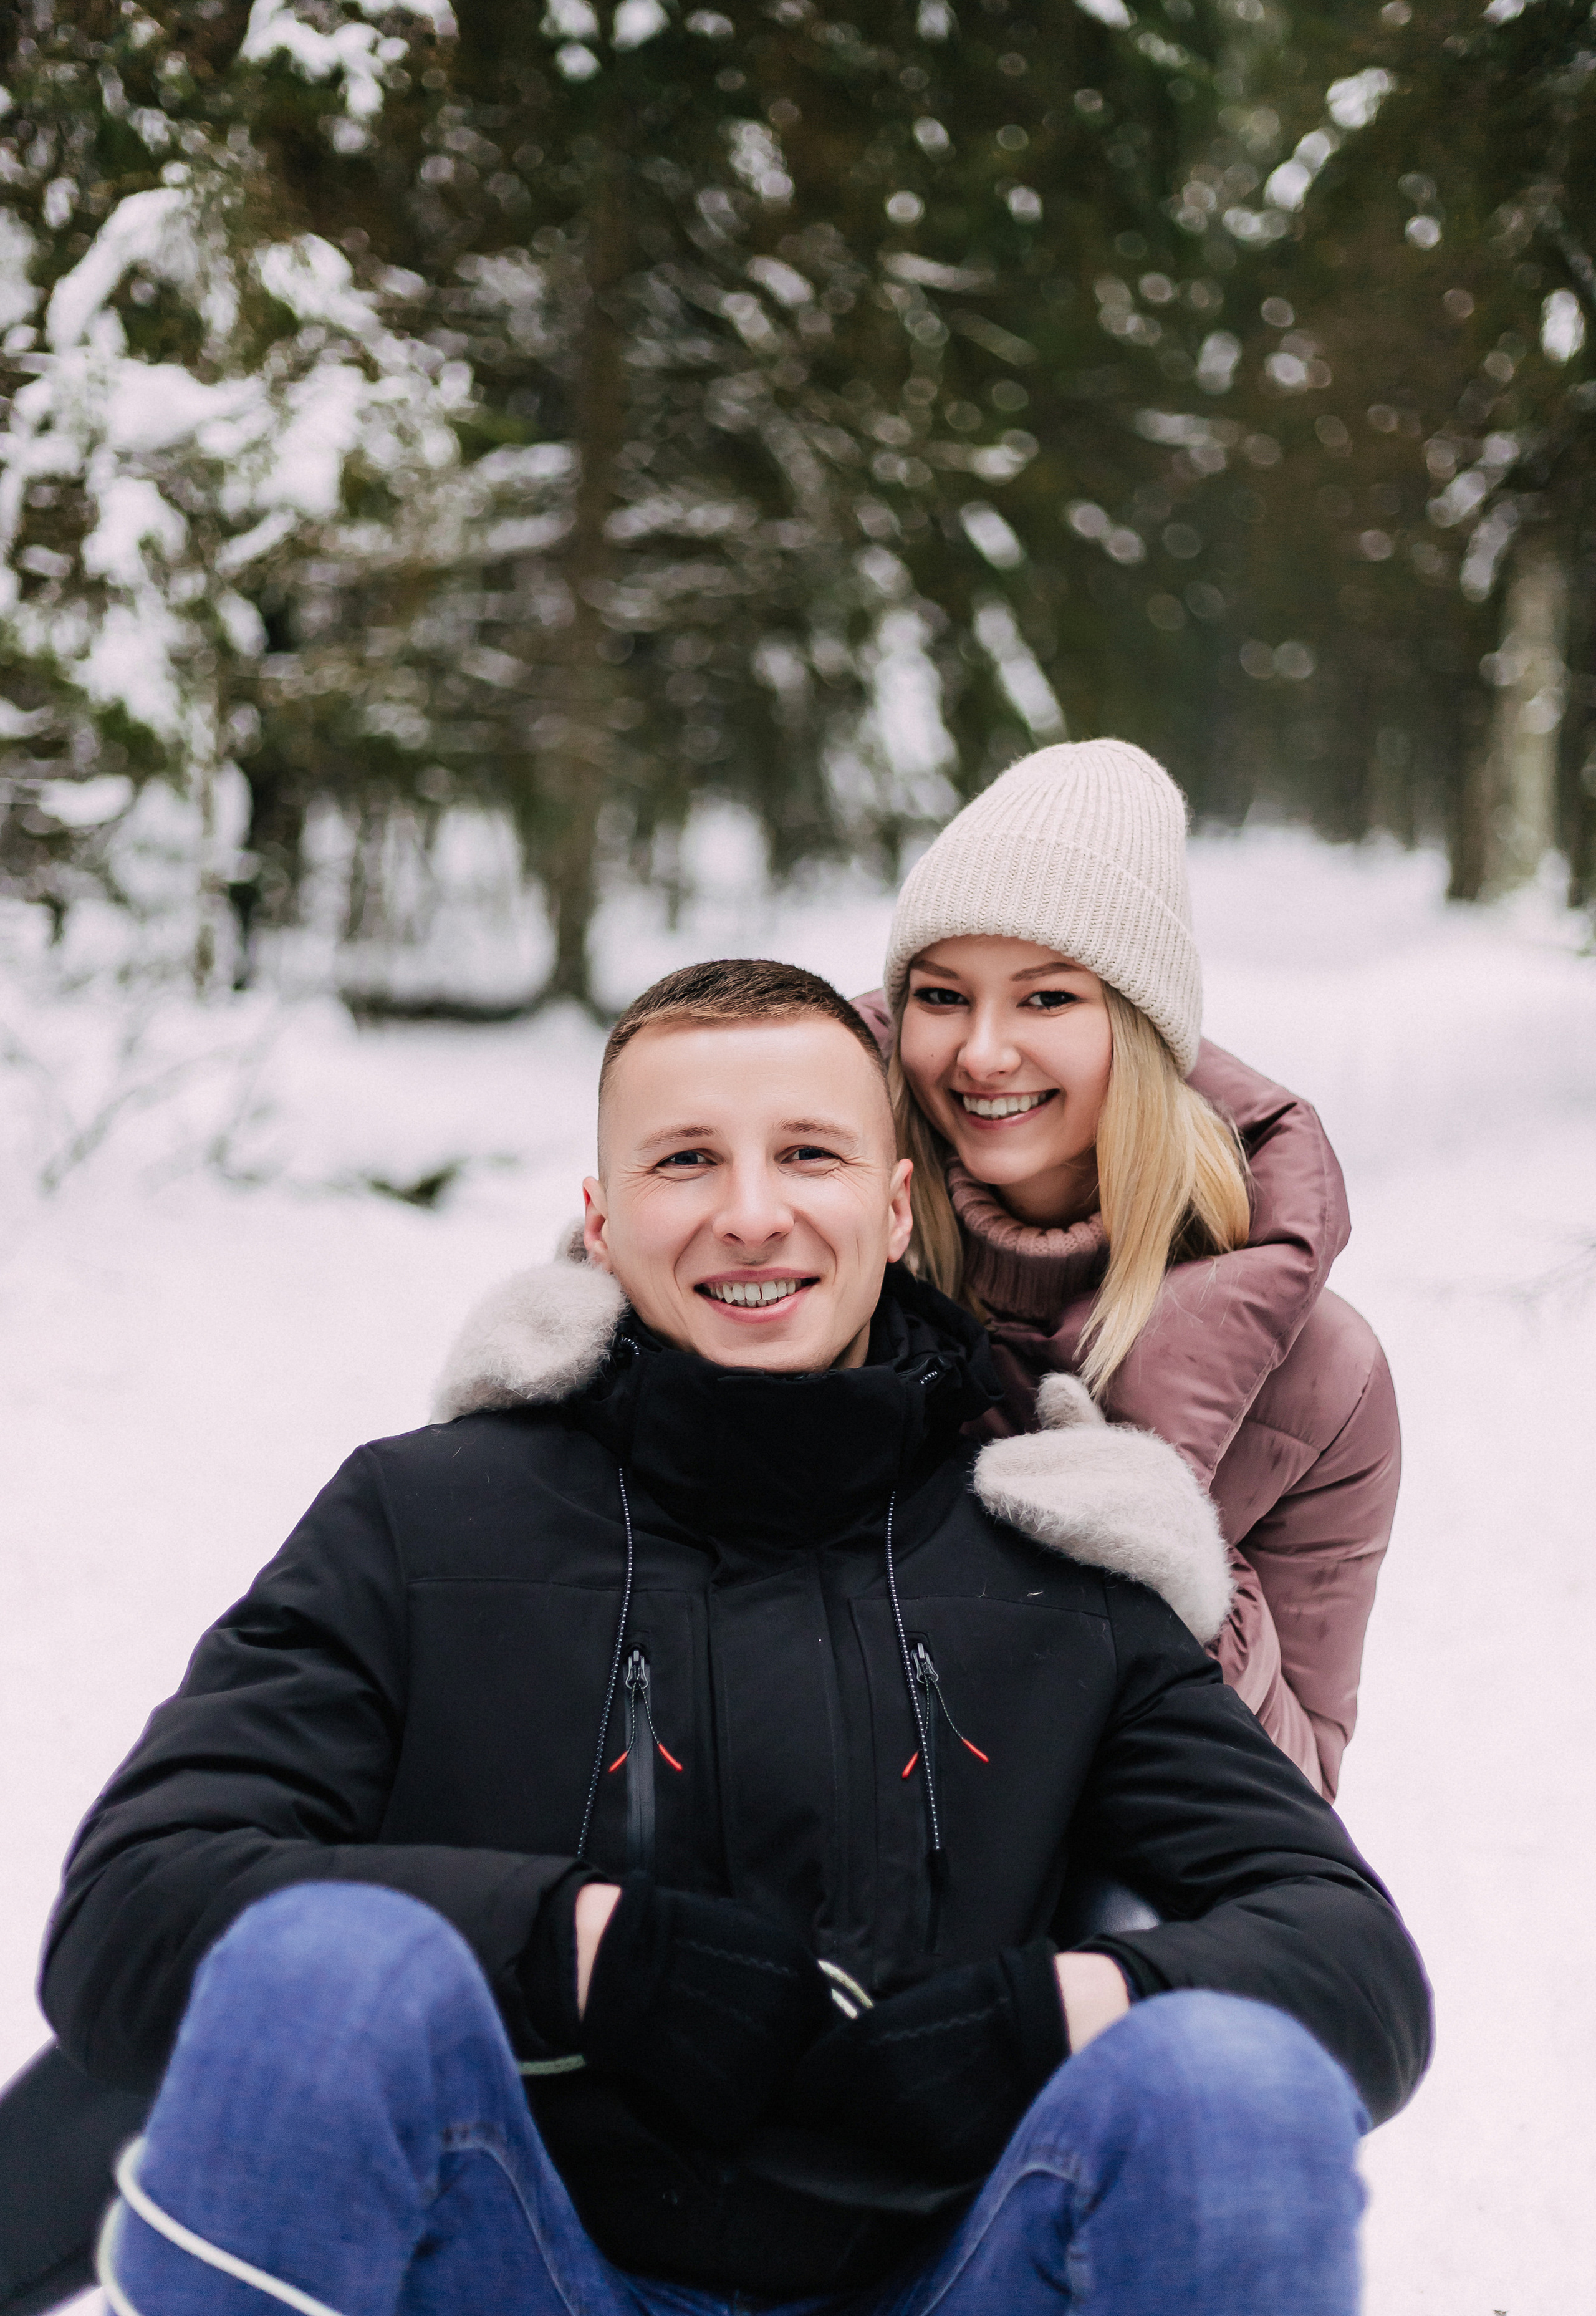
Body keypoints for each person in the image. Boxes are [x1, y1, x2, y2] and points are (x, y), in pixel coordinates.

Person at [44, 959, 1431, 2316]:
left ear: (895, 1211)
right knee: (321, 1971)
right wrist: (570, 1948)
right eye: (686, 1162)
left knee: (1226, 2083)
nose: (751, 1215)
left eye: (809, 1156)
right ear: (598, 1217)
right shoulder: (423, 1519)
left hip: (944, 2272)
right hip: (517, 2258)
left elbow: (1352, 1967)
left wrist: (1051, 2012)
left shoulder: (1054, 1563)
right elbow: (130, 1916)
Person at [853, 739, 1401, 1798]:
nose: (981, 1053)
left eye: (1048, 999)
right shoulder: (819, 1245)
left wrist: (1183, 1581)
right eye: (942, 995)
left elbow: (1301, 1790)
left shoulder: (1324, 1376)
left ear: (1139, 1028)